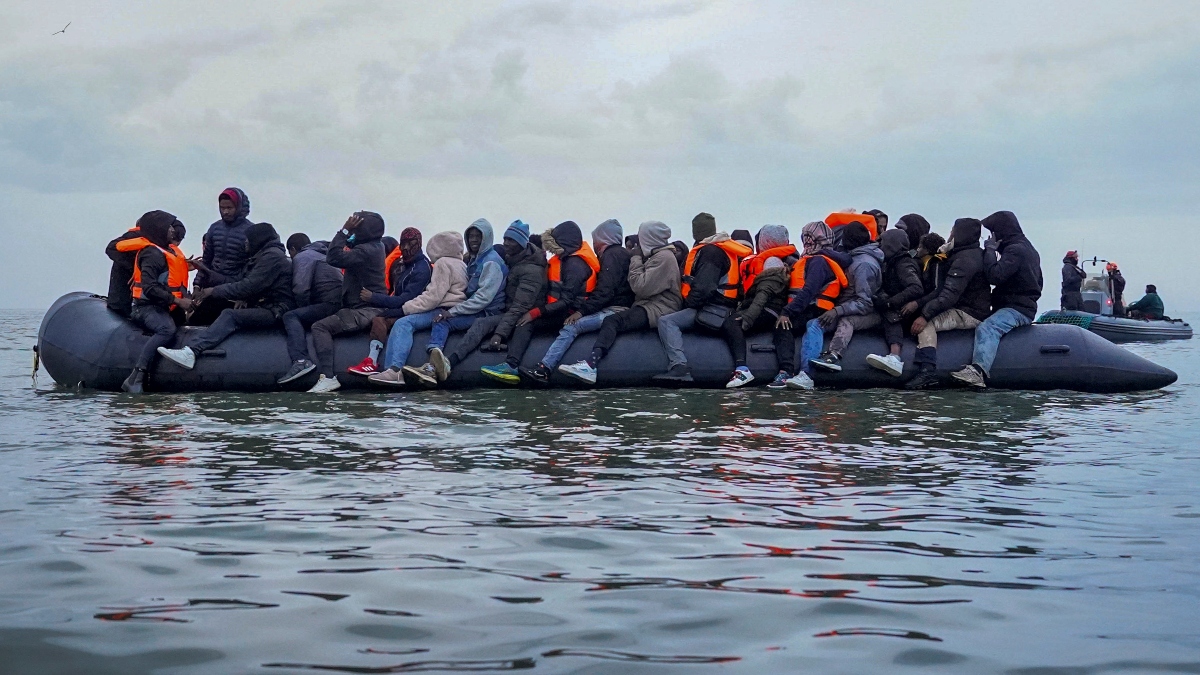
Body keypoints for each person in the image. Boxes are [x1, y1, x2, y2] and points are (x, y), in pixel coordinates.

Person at [558, 220, 682, 385]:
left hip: (661, 307)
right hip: (649, 304)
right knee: (616, 319)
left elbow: (641, 287)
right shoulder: (656, 256)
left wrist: (636, 258)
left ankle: (591, 365)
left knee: (613, 321)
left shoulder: (665, 258)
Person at [157, 223, 295, 370]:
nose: (245, 243)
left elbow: (248, 285)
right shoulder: (264, 256)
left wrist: (213, 291)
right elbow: (252, 284)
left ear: (258, 239)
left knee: (230, 315)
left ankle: (192, 351)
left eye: (248, 239)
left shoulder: (272, 257)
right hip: (267, 305)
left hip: (276, 310)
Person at [277, 212, 387, 391]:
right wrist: (349, 235)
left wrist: (345, 230)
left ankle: (328, 376)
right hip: (365, 306)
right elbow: (343, 247)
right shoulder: (376, 246)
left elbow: (334, 257)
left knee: (320, 327)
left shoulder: (365, 251)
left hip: (364, 309)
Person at [480, 220, 600, 384]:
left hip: (568, 314)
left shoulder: (574, 266)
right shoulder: (565, 259)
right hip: (559, 309)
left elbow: (566, 301)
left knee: (525, 323)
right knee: (526, 317)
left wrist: (536, 312)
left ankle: (511, 365)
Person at [515, 219, 633, 384]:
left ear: (603, 239)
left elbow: (605, 291)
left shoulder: (612, 255)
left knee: (572, 326)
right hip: (617, 308)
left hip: (615, 309)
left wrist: (581, 312)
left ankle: (544, 369)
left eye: (596, 239)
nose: (594, 244)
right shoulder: (620, 254)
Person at [434, 221, 548, 380]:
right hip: (508, 310)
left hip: (522, 313)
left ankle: (450, 362)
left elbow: (519, 307)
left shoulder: (531, 271)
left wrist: (499, 334)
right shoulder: (514, 260)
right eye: (505, 239)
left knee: (482, 323)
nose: (506, 243)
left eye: (511, 240)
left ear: (522, 244)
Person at [402, 219, 508, 385]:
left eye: (478, 236)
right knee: (442, 317)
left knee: (443, 320)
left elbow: (483, 299)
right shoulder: (475, 260)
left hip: (488, 312)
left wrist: (452, 311)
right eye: (470, 236)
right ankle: (433, 363)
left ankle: (432, 366)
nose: (473, 240)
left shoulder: (491, 262)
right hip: (478, 308)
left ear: (486, 238)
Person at [653, 213, 752, 383]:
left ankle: (679, 366)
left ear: (696, 232)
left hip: (712, 309)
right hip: (722, 307)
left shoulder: (710, 252)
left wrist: (688, 304)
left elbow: (705, 288)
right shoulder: (721, 249)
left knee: (666, 322)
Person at [949, 210, 1043, 388]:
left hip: (1017, 309)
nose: (990, 237)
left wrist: (990, 251)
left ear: (1000, 231)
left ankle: (978, 371)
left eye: (992, 232)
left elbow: (995, 276)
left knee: (988, 328)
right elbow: (1039, 281)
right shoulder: (1029, 249)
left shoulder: (1015, 251)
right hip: (1023, 306)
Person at [366, 231, 468, 386]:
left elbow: (433, 297)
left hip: (441, 308)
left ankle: (394, 369)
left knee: (404, 323)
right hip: (455, 310)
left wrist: (406, 309)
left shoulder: (442, 264)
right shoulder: (461, 264)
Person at [903, 218, 992, 390]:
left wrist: (924, 315)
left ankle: (927, 370)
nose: (950, 235)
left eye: (953, 231)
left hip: (969, 312)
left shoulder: (964, 260)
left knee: (926, 325)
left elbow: (949, 295)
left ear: (960, 234)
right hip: (972, 307)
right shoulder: (970, 254)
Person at [769, 221, 850, 390]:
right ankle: (787, 372)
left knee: (785, 325)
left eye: (808, 238)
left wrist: (787, 311)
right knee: (784, 325)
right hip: (809, 307)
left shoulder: (819, 262)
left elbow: (809, 291)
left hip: (818, 309)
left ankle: (798, 372)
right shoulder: (809, 260)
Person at [119, 211, 192, 393]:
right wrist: (178, 301)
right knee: (166, 329)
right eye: (168, 227)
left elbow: (170, 279)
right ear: (158, 229)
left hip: (164, 306)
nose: (172, 230)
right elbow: (149, 288)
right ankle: (136, 376)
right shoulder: (151, 254)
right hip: (145, 308)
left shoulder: (169, 251)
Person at [346, 228, 432, 374]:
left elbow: (404, 300)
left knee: (380, 319)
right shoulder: (406, 265)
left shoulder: (422, 268)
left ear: (419, 244)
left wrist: (373, 297)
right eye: (403, 243)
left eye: (410, 243)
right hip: (404, 305)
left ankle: (373, 361)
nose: (405, 248)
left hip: (414, 309)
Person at [722, 225, 795, 388]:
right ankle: (786, 371)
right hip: (778, 310)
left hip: (767, 310)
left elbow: (764, 293)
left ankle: (742, 369)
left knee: (732, 323)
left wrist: (747, 318)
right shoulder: (784, 260)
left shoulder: (771, 261)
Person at [809, 222, 883, 373]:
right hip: (847, 306)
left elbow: (865, 303)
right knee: (814, 323)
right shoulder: (852, 258)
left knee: (847, 321)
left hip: (870, 313)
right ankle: (807, 368)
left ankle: (834, 355)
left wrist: (837, 311)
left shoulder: (864, 265)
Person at [863, 229, 926, 377]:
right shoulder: (891, 262)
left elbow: (916, 288)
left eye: (883, 242)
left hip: (907, 310)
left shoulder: (903, 263)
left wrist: (890, 302)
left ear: (892, 244)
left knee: (891, 315)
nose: (880, 245)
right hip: (896, 303)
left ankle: (895, 356)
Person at [191, 187, 254, 325]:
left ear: (238, 207)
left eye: (229, 208)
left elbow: (252, 269)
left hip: (235, 290)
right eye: (222, 208)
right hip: (211, 289)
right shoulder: (214, 229)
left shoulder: (250, 231)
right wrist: (197, 285)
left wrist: (245, 297)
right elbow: (206, 261)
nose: (225, 212)